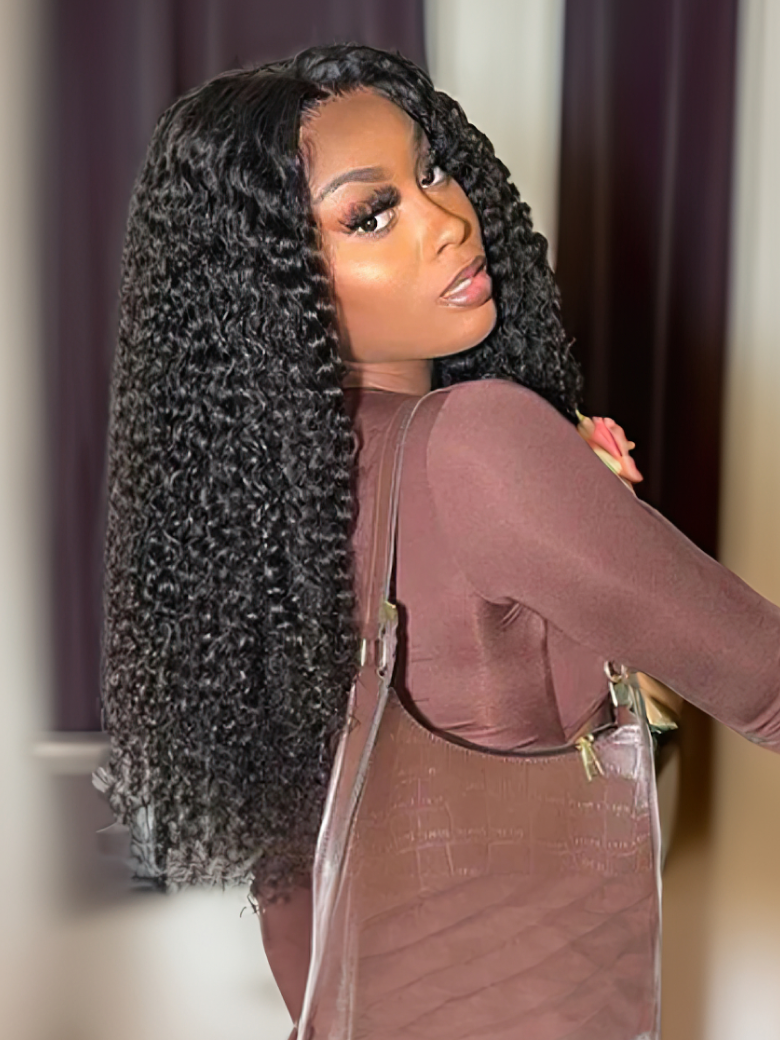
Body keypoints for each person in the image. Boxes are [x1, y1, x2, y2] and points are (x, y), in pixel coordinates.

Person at [96, 43, 780, 1036]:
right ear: (272, 282)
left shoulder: (265, 517)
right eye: (372, 215)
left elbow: (300, 905)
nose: (449, 220)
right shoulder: (478, 445)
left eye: (434, 171)